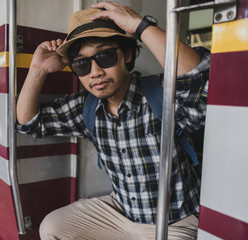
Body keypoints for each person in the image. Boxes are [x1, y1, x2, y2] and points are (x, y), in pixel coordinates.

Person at [16, 1, 210, 239]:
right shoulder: (86, 107)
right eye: (82, 63)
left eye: (105, 56)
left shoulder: (160, 94)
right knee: (52, 227)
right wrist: (37, 69)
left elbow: (198, 76)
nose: (95, 71)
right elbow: (29, 123)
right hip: (121, 215)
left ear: (127, 54)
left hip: (174, 223)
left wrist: (140, 25)